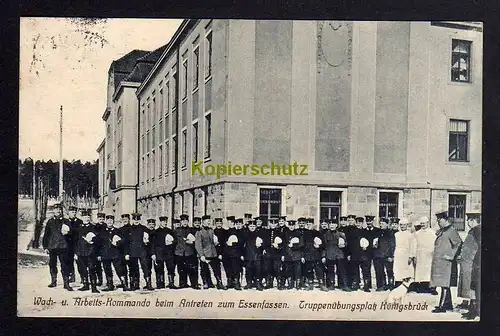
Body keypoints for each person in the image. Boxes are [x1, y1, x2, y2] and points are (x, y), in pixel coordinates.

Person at [430, 211, 463, 313]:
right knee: (443, 284)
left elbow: (458, 244)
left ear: (446, 220)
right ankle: (448, 305)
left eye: (440, 220)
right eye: (438, 220)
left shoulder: (451, 231)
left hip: (446, 263)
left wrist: (451, 256)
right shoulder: (443, 231)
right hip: (440, 263)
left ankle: (442, 306)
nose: (438, 222)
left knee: (444, 284)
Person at [42, 203, 73, 291]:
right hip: (52, 247)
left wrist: (68, 233)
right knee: (52, 264)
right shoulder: (50, 221)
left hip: (63, 247)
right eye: (56, 210)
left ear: (61, 211)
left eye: (59, 209)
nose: (58, 211)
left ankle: (66, 283)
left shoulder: (66, 221)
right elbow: (46, 235)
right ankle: (53, 281)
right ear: (53, 211)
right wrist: (45, 247)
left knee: (65, 265)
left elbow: (71, 234)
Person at [457, 213, 481, 316]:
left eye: (469, 220)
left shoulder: (477, 230)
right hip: (467, 263)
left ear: (474, 220)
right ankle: (472, 309)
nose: (467, 222)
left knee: (472, 287)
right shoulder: (473, 231)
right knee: (470, 287)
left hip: (472, 263)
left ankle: (474, 311)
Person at [98, 214, 128, 291]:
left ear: (113, 221)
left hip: (116, 254)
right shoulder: (102, 231)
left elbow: (123, 241)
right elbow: (98, 243)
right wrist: (99, 254)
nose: (109, 222)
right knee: (107, 270)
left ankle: (124, 285)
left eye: (111, 221)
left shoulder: (117, 231)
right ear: (106, 221)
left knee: (119, 269)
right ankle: (110, 285)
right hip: (105, 254)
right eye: (108, 221)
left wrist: (118, 243)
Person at [195, 215, 226, 290]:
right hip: (205, 254)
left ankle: (219, 283)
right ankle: (206, 283)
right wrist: (201, 255)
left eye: (209, 221)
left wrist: (216, 243)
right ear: (203, 222)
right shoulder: (199, 232)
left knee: (217, 269)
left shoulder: (211, 230)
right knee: (204, 269)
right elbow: (198, 245)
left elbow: (214, 241)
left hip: (213, 253)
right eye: (206, 221)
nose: (208, 222)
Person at [125, 213, 154, 291]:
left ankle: (148, 284)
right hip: (132, 252)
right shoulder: (128, 229)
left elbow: (149, 240)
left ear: (140, 220)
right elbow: (126, 243)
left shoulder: (144, 228)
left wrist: (147, 241)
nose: (136, 221)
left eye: (138, 219)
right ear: (132, 220)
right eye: (135, 219)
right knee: (133, 268)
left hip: (142, 251)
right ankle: (135, 284)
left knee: (146, 268)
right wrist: (127, 253)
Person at [74, 209, 100, 293]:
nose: (87, 218)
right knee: (83, 269)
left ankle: (94, 287)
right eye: (85, 217)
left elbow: (98, 240)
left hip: (91, 252)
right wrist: (76, 253)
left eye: (88, 217)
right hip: (81, 252)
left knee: (92, 269)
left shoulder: (94, 227)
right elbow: (76, 241)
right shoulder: (79, 228)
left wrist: (92, 240)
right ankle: (85, 285)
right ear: (82, 217)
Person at [322, 219, 350, 291]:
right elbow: (324, 246)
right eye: (330, 225)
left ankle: (343, 285)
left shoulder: (341, 234)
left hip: (339, 254)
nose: (331, 226)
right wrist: (323, 256)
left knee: (341, 270)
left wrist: (343, 245)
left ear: (336, 225)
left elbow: (346, 244)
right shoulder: (325, 235)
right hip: (329, 254)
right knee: (330, 270)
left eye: (333, 225)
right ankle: (331, 284)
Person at [174, 214, 200, 289]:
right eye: (183, 221)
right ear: (181, 222)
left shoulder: (192, 230)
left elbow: (197, 240)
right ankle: (182, 283)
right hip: (180, 253)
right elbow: (174, 241)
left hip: (190, 252)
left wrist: (192, 243)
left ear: (188, 222)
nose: (185, 223)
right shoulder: (177, 230)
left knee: (192, 269)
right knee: (181, 269)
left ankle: (194, 284)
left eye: (186, 221)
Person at [152, 216, 177, 289]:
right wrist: (153, 253)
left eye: (166, 222)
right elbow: (153, 244)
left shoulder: (170, 231)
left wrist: (172, 242)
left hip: (168, 253)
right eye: (163, 222)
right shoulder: (155, 232)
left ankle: (171, 283)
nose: (165, 223)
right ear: (160, 222)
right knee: (159, 268)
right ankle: (160, 283)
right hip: (159, 253)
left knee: (170, 267)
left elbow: (175, 241)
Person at [302, 218, 326, 291]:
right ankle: (310, 284)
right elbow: (302, 245)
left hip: (316, 254)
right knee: (309, 270)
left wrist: (319, 247)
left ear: (313, 225)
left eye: (310, 224)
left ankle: (321, 284)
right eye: (308, 224)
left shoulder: (318, 233)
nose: (309, 226)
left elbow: (323, 244)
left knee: (319, 270)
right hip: (308, 254)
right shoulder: (304, 234)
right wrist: (303, 256)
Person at [414, 216, 436, 294]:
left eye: (424, 223)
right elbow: (415, 245)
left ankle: (429, 287)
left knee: (428, 271)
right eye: (421, 223)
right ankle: (421, 287)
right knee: (420, 271)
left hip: (429, 255)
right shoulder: (417, 233)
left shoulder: (432, 233)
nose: (423, 225)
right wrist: (415, 256)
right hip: (420, 254)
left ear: (427, 223)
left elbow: (434, 244)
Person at [349, 217, 372, 292]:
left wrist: (367, 248)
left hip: (364, 255)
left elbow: (370, 243)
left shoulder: (366, 232)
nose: (358, 224)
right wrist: (349, 254)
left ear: (363, 223)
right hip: (354, 254)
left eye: (360, 222)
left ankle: (366, 285)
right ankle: (356, 284)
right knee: (355, 270)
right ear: (355, 223)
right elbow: (349, 244)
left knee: (365, 270)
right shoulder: (352, 232)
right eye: (357, 222)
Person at [372, 217, 396, 291]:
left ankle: (391, 285)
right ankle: (381, 285)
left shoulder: (390, 233)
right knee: (379, 271)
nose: (381, 225)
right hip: (378, 255)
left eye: (383, 223)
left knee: (389, 271)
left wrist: (391, 256)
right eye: (380, 223)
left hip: (387, 256)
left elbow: (392, 245)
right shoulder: (377, 232)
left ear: (387, 224)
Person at [263, 218, 285, 290]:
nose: (273, 225)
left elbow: (283, 243)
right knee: (268, 268)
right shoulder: (266, 232)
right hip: (269, 253)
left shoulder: (280, 232)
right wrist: (264, 249)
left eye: (274, 223)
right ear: (269, 224)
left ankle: (279, 283)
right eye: (271, 223)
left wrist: (279, 247)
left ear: (277, 224)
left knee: (277, 268)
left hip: (277, 253)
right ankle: (269, 283)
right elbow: (264, 242)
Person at [224, 218, 246, 290]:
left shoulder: (238, 232)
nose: (230, 224)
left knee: (236, 268)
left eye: (231, 223)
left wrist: (233, 244)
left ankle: (236, 283)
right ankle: (230, 282)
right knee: (228, 268)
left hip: (235, 253)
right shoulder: (226, 232)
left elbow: (241, 244)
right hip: (227, 253)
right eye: (228, 223)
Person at [393, 217, 416, 288]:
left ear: (407, 225)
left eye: (404, 225)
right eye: (401, 225)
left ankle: (406, 286)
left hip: (406, 255)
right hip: (397, 254)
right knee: (397, 269)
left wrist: (411, 256)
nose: (402, 226)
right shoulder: (396, 234)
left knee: (406, 270)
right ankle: (397, 284)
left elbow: (413, 246)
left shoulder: (410, 235)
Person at [243, 220, 264, 290]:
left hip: (257, 254)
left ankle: (258, 283)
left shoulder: (259, 233)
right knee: (248, 269)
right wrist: (243, 254)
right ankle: (249, 283)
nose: (252, 228)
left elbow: (264, 243)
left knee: (258, 269)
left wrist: (261, 245)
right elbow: (242, 245)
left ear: (255, 226)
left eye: (253, 226)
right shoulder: (245, 234)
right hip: (248, 254)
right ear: (248, 227)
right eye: (250, 226)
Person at [282, 219, 303, 290]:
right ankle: (290, 284)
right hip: (288, 254)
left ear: (295, 225)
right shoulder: (285, 233)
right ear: (288, 225)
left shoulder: (299, 233)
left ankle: (297, 284)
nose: (291, 227)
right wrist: (284, 255)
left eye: (293, 225)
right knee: (289, 270)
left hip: (297, 255)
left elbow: (301, 244)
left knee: (297, 270)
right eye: (290, 225)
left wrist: (293, 246)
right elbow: (284, 245)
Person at [66, 205, 81, 283]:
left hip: (77, 244)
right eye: (72, 212)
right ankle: (71, 276)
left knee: (80, 261)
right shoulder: (65, 221)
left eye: (75, 212)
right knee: (69, 261)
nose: (73, 213)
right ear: (68, 213)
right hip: (68, 245)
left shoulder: (79, 222)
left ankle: (82, 277)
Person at [93, 212, 106, 286]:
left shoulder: (106, 226)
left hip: (105, 249)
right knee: (97, 266)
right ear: (97, 219)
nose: (101, 220)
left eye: (102, 219)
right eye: (100, 219)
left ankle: (108, 281)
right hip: (97, 249)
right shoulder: (95, 227)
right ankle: (100, 280)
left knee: (106, 266)